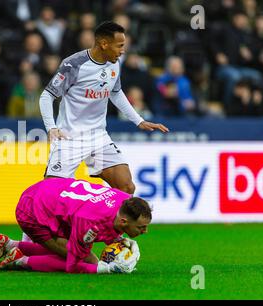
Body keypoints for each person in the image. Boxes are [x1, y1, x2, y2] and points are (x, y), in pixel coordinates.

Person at [39, 21, 169, 195]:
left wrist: (139, 121)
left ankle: (110, 222)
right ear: (104, 44)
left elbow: (115, 93)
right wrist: (51, 128)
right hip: (70, 137)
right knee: (51, 193)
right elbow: (47, 96)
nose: (123, 51)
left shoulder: (114, 63)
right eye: (120, 46)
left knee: (126, 187)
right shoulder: (74, 64)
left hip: (98, 136)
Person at [0, 178, 152, 274]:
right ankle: (18, 260)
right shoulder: (89, 222)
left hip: (52, 194)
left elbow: (109, 222)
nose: (145, 231)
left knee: (75, 252)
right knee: (84, 259)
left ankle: (9, 245)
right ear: (123, 221)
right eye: (141, 227)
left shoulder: (124, 200)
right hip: (32, 210)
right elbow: (73, 266)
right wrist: (103, 269)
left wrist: (119, 238)